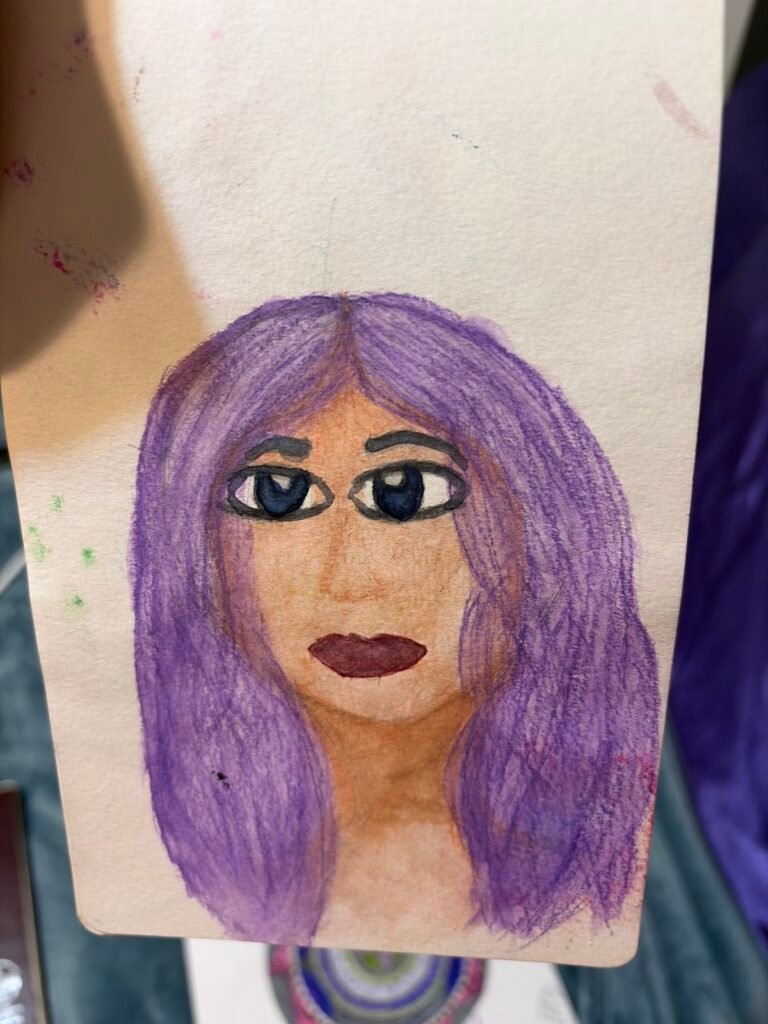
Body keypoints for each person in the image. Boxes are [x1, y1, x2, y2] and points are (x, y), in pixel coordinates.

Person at [131, 292, 658, 947]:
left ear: (542, 523)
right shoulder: (158, 870)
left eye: (406, 491)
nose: (351, 581)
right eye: (276, 494)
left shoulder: (646, 863)